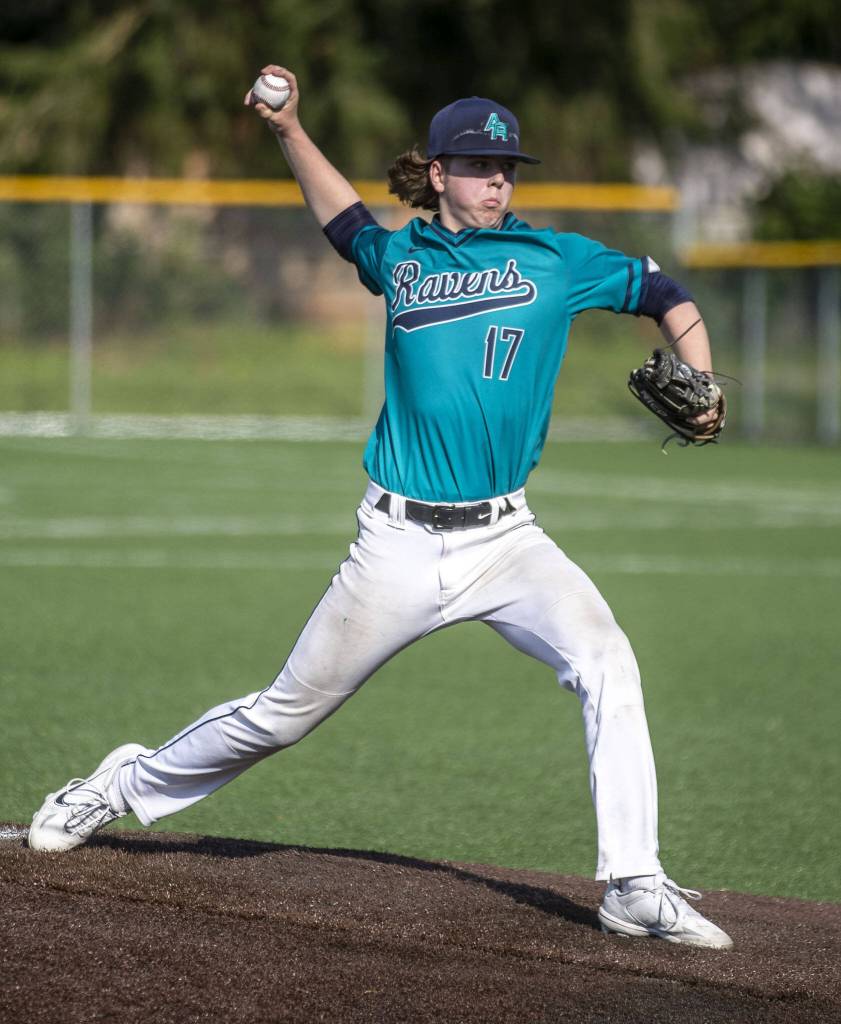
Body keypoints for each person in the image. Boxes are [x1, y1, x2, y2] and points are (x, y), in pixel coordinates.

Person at [29, 66, 732, 950]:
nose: (499, 179)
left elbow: (667, 296)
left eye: (508, 166)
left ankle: (632, 882)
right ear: (438, 172)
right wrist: (289, 128)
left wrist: (699, 377)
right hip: (396, 543)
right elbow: (341, 217)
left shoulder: (557, 261)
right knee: (284, 713)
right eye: (480, 166)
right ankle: (119, 785)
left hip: (509, 540)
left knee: (607, 661)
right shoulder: (397, 256)